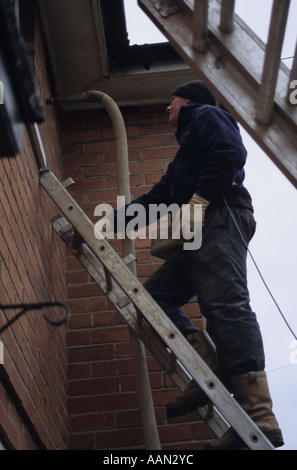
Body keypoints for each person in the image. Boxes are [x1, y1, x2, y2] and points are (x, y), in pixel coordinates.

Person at [101, 80, 284, 450]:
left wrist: (199, 202)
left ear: (187, 101)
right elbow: (157, 199)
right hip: (197, 232)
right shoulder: (184, 157)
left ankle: (261, 417)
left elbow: (230, 152)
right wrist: (107, 224)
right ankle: (209, 364)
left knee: (225, 304)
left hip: (220, 216)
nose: (167, 109)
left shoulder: (206, 114)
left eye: (171, 102)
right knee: (153, 300)